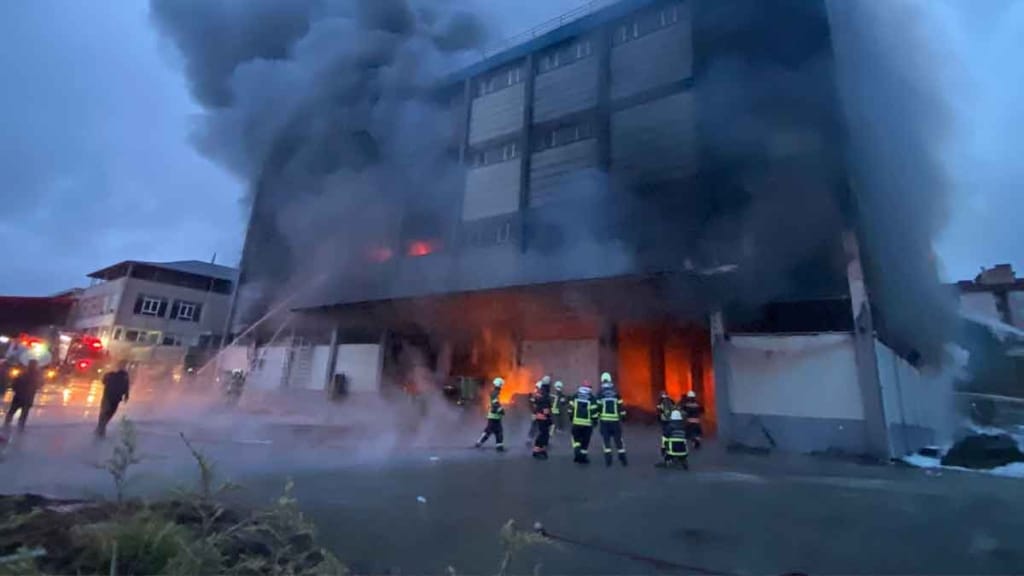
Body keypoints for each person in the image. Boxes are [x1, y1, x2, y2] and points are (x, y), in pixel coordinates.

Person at [597, 372, 627, 467]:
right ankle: (623, 458)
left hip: (604, 421)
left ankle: (608, 459)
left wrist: (596, 418)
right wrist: (623, 416)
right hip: (615, 421)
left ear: (602, 380)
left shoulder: (600, 393)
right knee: (618, 440)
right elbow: (621, 406)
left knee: (606, 440)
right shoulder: (616, 392)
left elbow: (598, 407)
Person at [3, 360, 41, 431]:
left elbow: (14, 383)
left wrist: (16, 389)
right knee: (23, 414)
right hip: (27, 398)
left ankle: (6, 426)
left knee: (12, 412)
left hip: (19, 397)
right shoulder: (35, 375)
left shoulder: (23, 373)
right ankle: (19, 428)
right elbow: (38, 386)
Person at [96, 361, 130, 438]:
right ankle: (101, 429)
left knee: (104, 413)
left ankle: (100, 429)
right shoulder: (123, 376)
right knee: (108, 414)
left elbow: (104, 381)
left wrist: (126, 395)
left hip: (109, 397)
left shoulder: (112, 375)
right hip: (114, 398)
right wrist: (126, 396)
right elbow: (126, 387)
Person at [569, 383, 599, 464]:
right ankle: (583, 458)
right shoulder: (591, 398)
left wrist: (571, 418)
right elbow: (594, 411)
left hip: (576, 423)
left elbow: (570, 409)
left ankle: (577, 452)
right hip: (587, 424)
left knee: (576, 439)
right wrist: (595, 420)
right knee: (585, 441)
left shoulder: (575, 396)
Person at [476, 377, 506, 451]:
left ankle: (499, 446)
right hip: (494, 416)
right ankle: (479, 443)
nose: (502, 387)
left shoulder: (495, 393)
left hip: (495, 416)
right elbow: (495, 403)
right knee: (490, 431)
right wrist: (501, 410)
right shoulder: (495, 393)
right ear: (499, 385)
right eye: (501, 385)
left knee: (498, 431)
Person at [531, 379, 553, 460]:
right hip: (543, 417)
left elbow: (536, 404)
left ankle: (542, 450)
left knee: (545, 434)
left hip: (539, 416)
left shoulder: (540, 393)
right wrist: (548, 417)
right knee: (543, 433)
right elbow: (546, 407)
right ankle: (536, 450)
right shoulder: (545, 395)